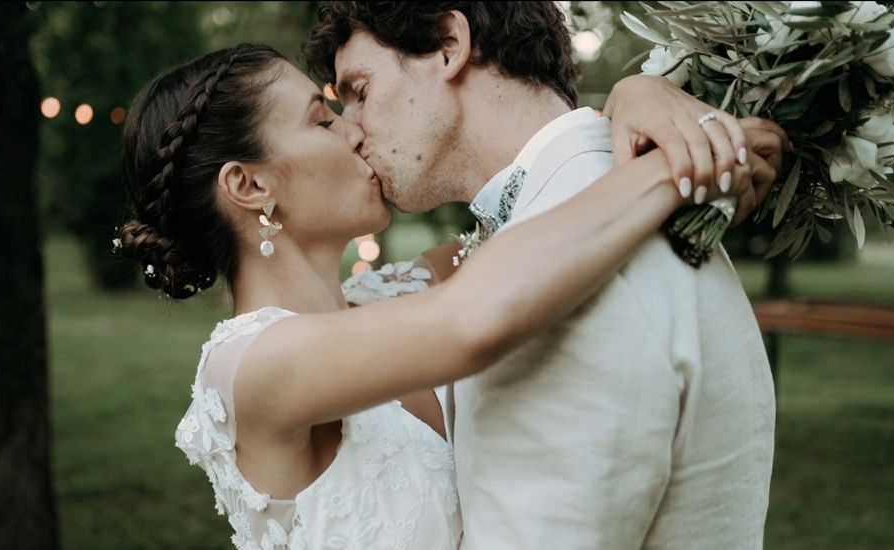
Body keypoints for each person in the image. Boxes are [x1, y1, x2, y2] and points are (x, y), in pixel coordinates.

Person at [113, 39, 780, 549]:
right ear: (251, 186)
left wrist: (634, 99)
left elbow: (532, 217)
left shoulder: (388, 296)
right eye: (322, 120)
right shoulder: (247, 367)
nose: (355, 129)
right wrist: (681, 167)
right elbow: (472, 321)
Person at [303, 2, 787, 548]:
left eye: (361, 91)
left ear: (448, 45)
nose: (353, 131)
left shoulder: (579, 264)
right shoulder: (599, 205)